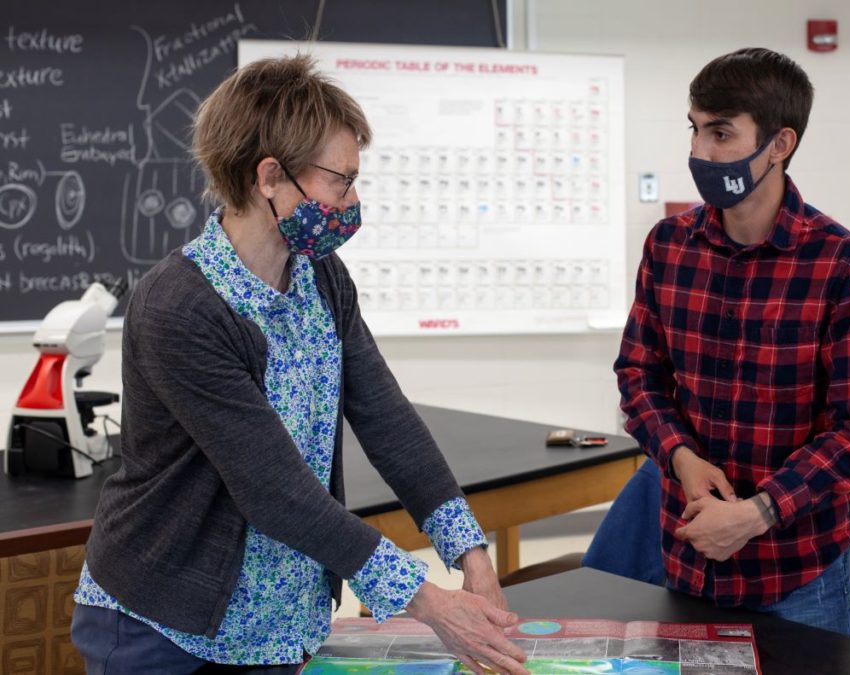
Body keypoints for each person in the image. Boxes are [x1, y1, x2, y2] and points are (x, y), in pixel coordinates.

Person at [70, 54, 528, 675]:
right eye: (341, 180)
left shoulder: (320, 278)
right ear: (268, 177)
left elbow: (385, 418)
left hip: (279, 621)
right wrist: (427, 602)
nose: (352, 199)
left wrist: (469, 553)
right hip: (163, 623)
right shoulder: (181, 305)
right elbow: (273, 491)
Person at [610, 47, 850, 635]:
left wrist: (758, 512)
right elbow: (639, 375)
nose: (699, 153)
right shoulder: (669, 246)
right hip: (686, 559)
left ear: (780, 144)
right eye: (694, 129)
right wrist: (681, 458)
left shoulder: (842, 264)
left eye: (721, 133)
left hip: (798, 573)